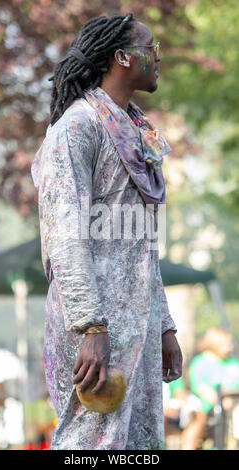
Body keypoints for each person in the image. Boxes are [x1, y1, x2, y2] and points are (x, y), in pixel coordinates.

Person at [31, 12, 182, 450]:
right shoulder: (77, 129)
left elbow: (141, 246)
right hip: (95, 328)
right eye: (150, 49)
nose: (158, 58)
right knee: (92, 443)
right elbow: (66, 236)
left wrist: (165, 326)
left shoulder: (134, 131)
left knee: (139, 442)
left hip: (139, 321)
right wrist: (90, 328)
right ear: (121, 58)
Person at [180, 327, 239, 450]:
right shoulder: (200, 362)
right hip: (207, 407)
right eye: (226, 342)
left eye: (230, 342)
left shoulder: (233, 363)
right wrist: (220, 401)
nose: (230, 345)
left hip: (234, 404)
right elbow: (200, 387)